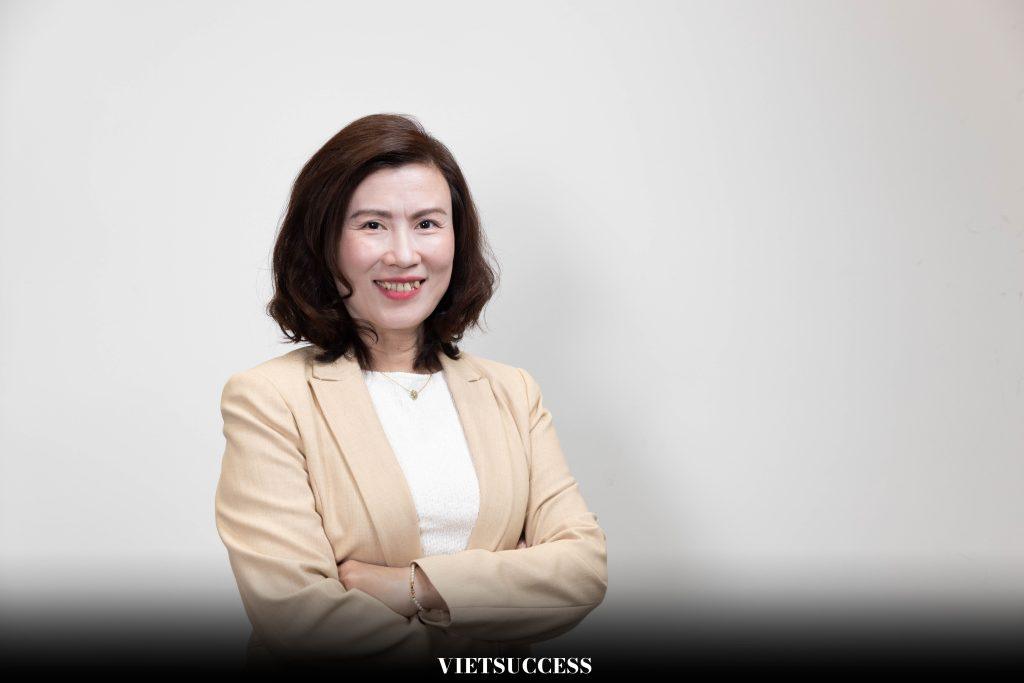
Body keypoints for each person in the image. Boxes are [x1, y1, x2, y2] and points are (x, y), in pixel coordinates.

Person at [214, 113, 608, 668]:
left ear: (456, 239)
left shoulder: (513, 393)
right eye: (372, 225)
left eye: (427, 223)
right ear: (324, 242)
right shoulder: (269, 399)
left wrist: (411, 587)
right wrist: (497, 598)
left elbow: (582, 572)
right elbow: (301, 621)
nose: (403, 254)